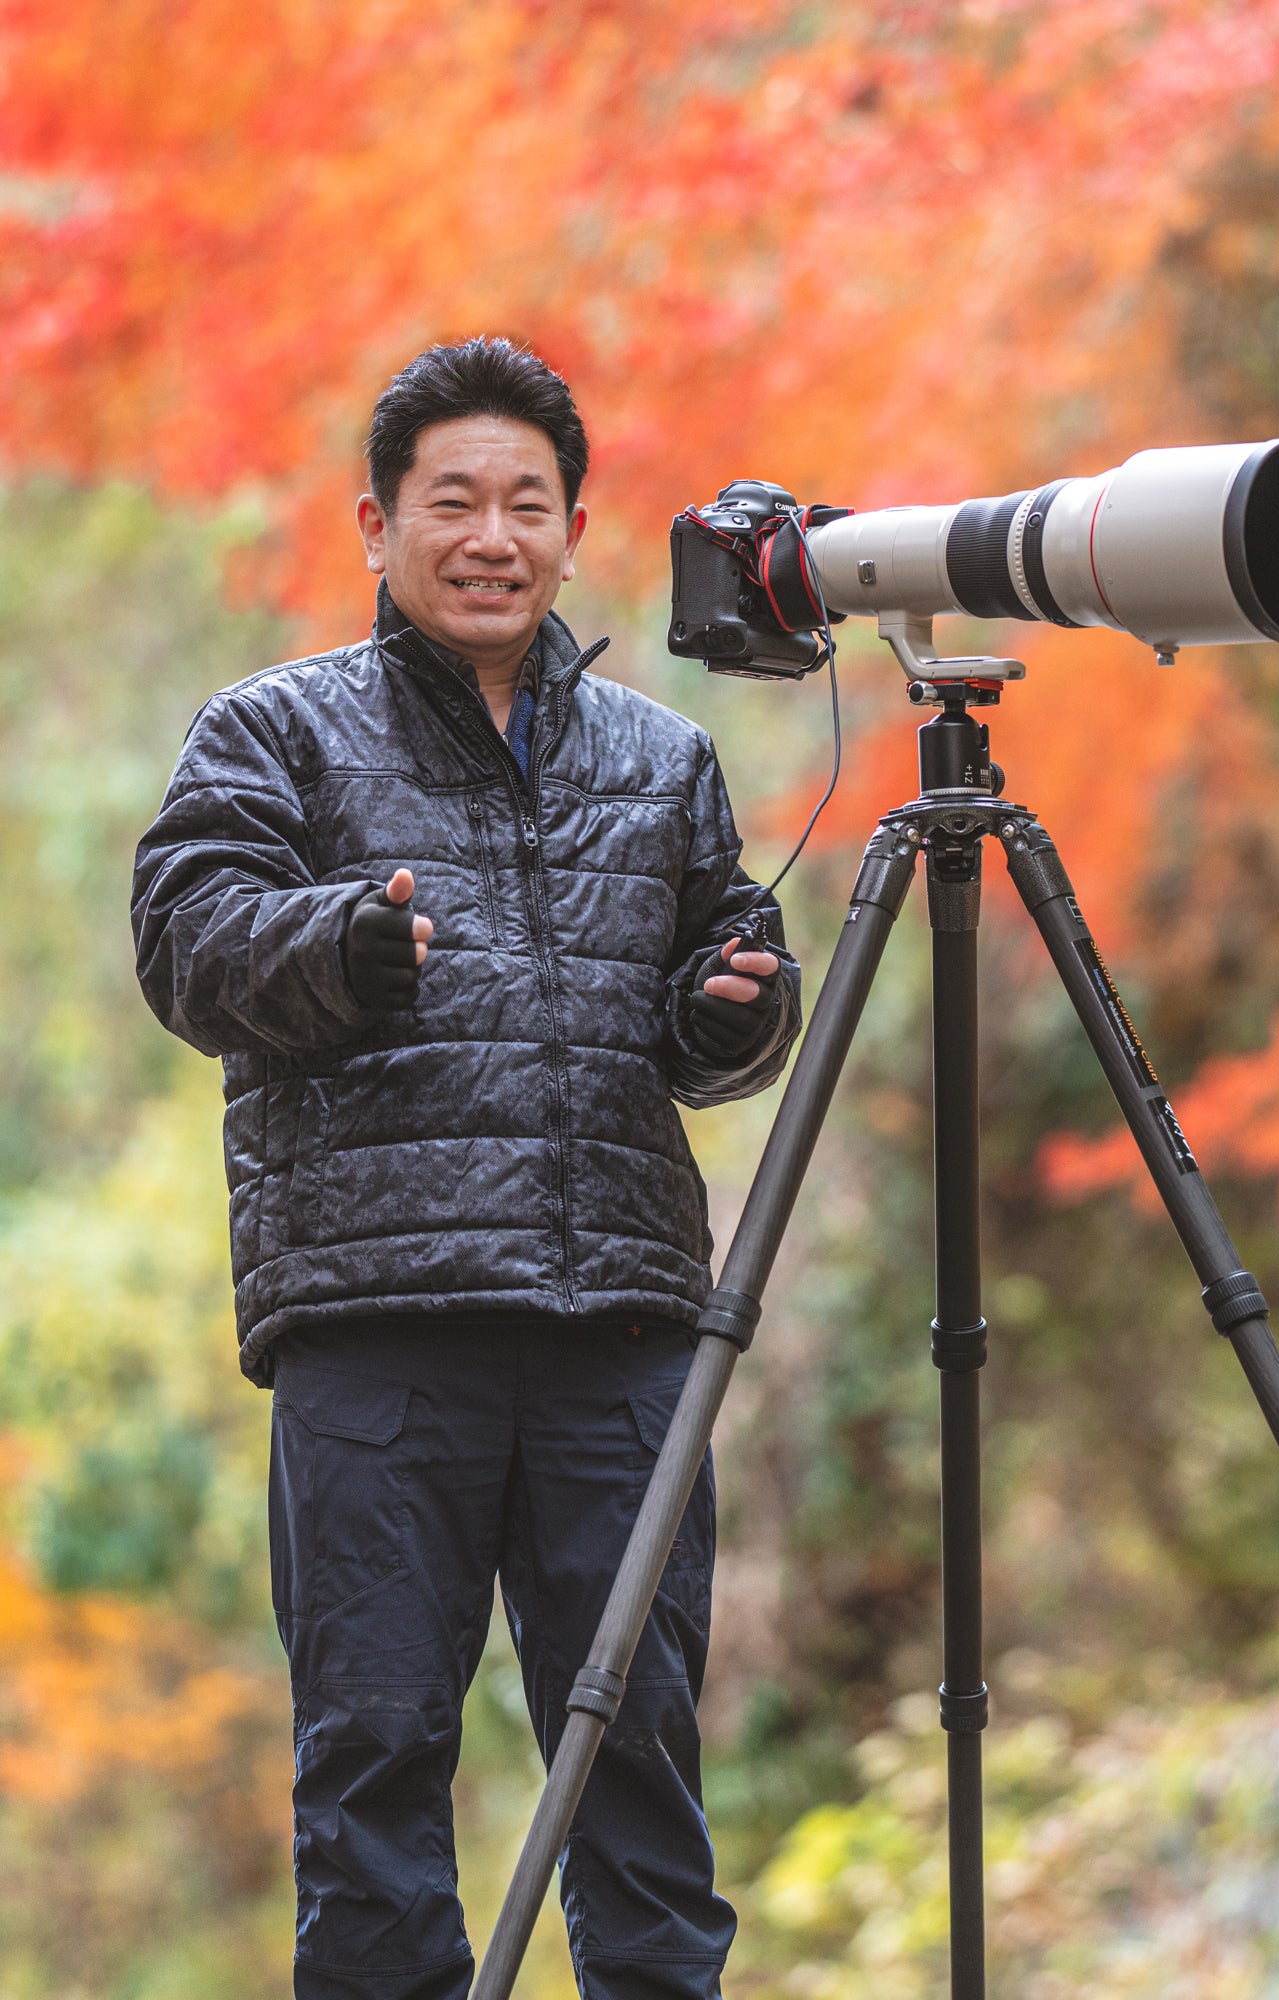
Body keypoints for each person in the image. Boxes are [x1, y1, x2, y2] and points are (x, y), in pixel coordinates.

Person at [131, 337, 801, 2000]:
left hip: (623, 1334)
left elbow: (708, 1027)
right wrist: (339, 944)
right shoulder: (273, 732)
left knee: (641, 1761)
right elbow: (189, 944)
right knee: (371, 1767)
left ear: (575, 528)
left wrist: (736, 1007)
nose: (491, 537)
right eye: (453, 502)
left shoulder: (664, 759)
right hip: (382, 1331)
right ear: (378, 525)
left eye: (526, 503)